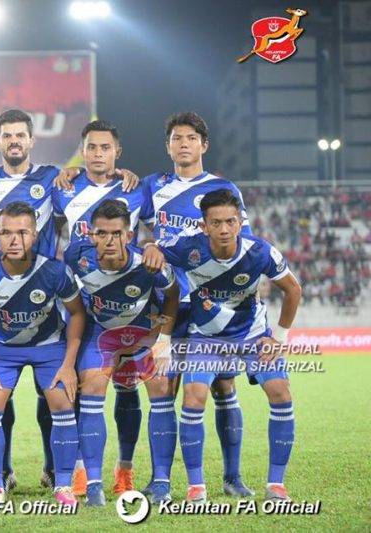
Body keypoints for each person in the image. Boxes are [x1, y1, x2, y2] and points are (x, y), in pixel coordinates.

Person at [156, 188, 301, 503]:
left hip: (252, 335)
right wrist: (149, 248)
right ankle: (196, 487)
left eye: (230, 222)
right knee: (193, 397)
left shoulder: (259, 252)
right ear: (204, 226)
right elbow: (154, 248)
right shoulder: (188, 248)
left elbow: (293, 289)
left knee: (281, 392)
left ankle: (276, 485)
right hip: (205, 337)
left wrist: (279, 338)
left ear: (240, 222)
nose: (224, 229)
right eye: (216, 223)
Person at [140, 112, 255, 498]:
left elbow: (244, 245)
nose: (184, 144)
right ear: (168, 146)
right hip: (167, 302)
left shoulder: (223, 188)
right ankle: (160, 480)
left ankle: (233, 477)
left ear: (204, 144)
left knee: (223, 384)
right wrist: (148, 243)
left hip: (213, 304)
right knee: (161, 386)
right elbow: (125, 214)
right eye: (177, 138)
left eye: (191, 138)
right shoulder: (152, 186)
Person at [52, 119, 161, 495]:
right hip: (82, 304)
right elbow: (51, 234)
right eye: (92, 147)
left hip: (131, 304)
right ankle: (81, 470)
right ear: (82, 151)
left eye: (105, 147)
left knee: (128, 389)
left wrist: (152, 246)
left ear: (118, 152)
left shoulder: (136, 189)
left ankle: (124, 469)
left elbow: (155, 233)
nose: (98, 154)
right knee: (78, 386)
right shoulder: (63, 188)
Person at [0, 201, 86, 507]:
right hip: (3, 349)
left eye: (22, 232)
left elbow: (77, 313)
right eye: (6, 233)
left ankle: (64, 484)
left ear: (35, 235)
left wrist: (69, 364)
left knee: (62, 400)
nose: (14, 239)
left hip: (49, 347)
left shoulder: (54, 271)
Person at [64, 199, 179, 505]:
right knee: (91, 386)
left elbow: (173, 294)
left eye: (117, 233)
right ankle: (93, 485)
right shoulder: (76, 256)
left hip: (142, 334)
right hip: (101, 334)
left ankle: (159, 481)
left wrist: (164, 339)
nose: (110, 240)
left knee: (160, 386)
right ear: (91, 235)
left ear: (129, 235)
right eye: (102, 233)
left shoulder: (148, 264)